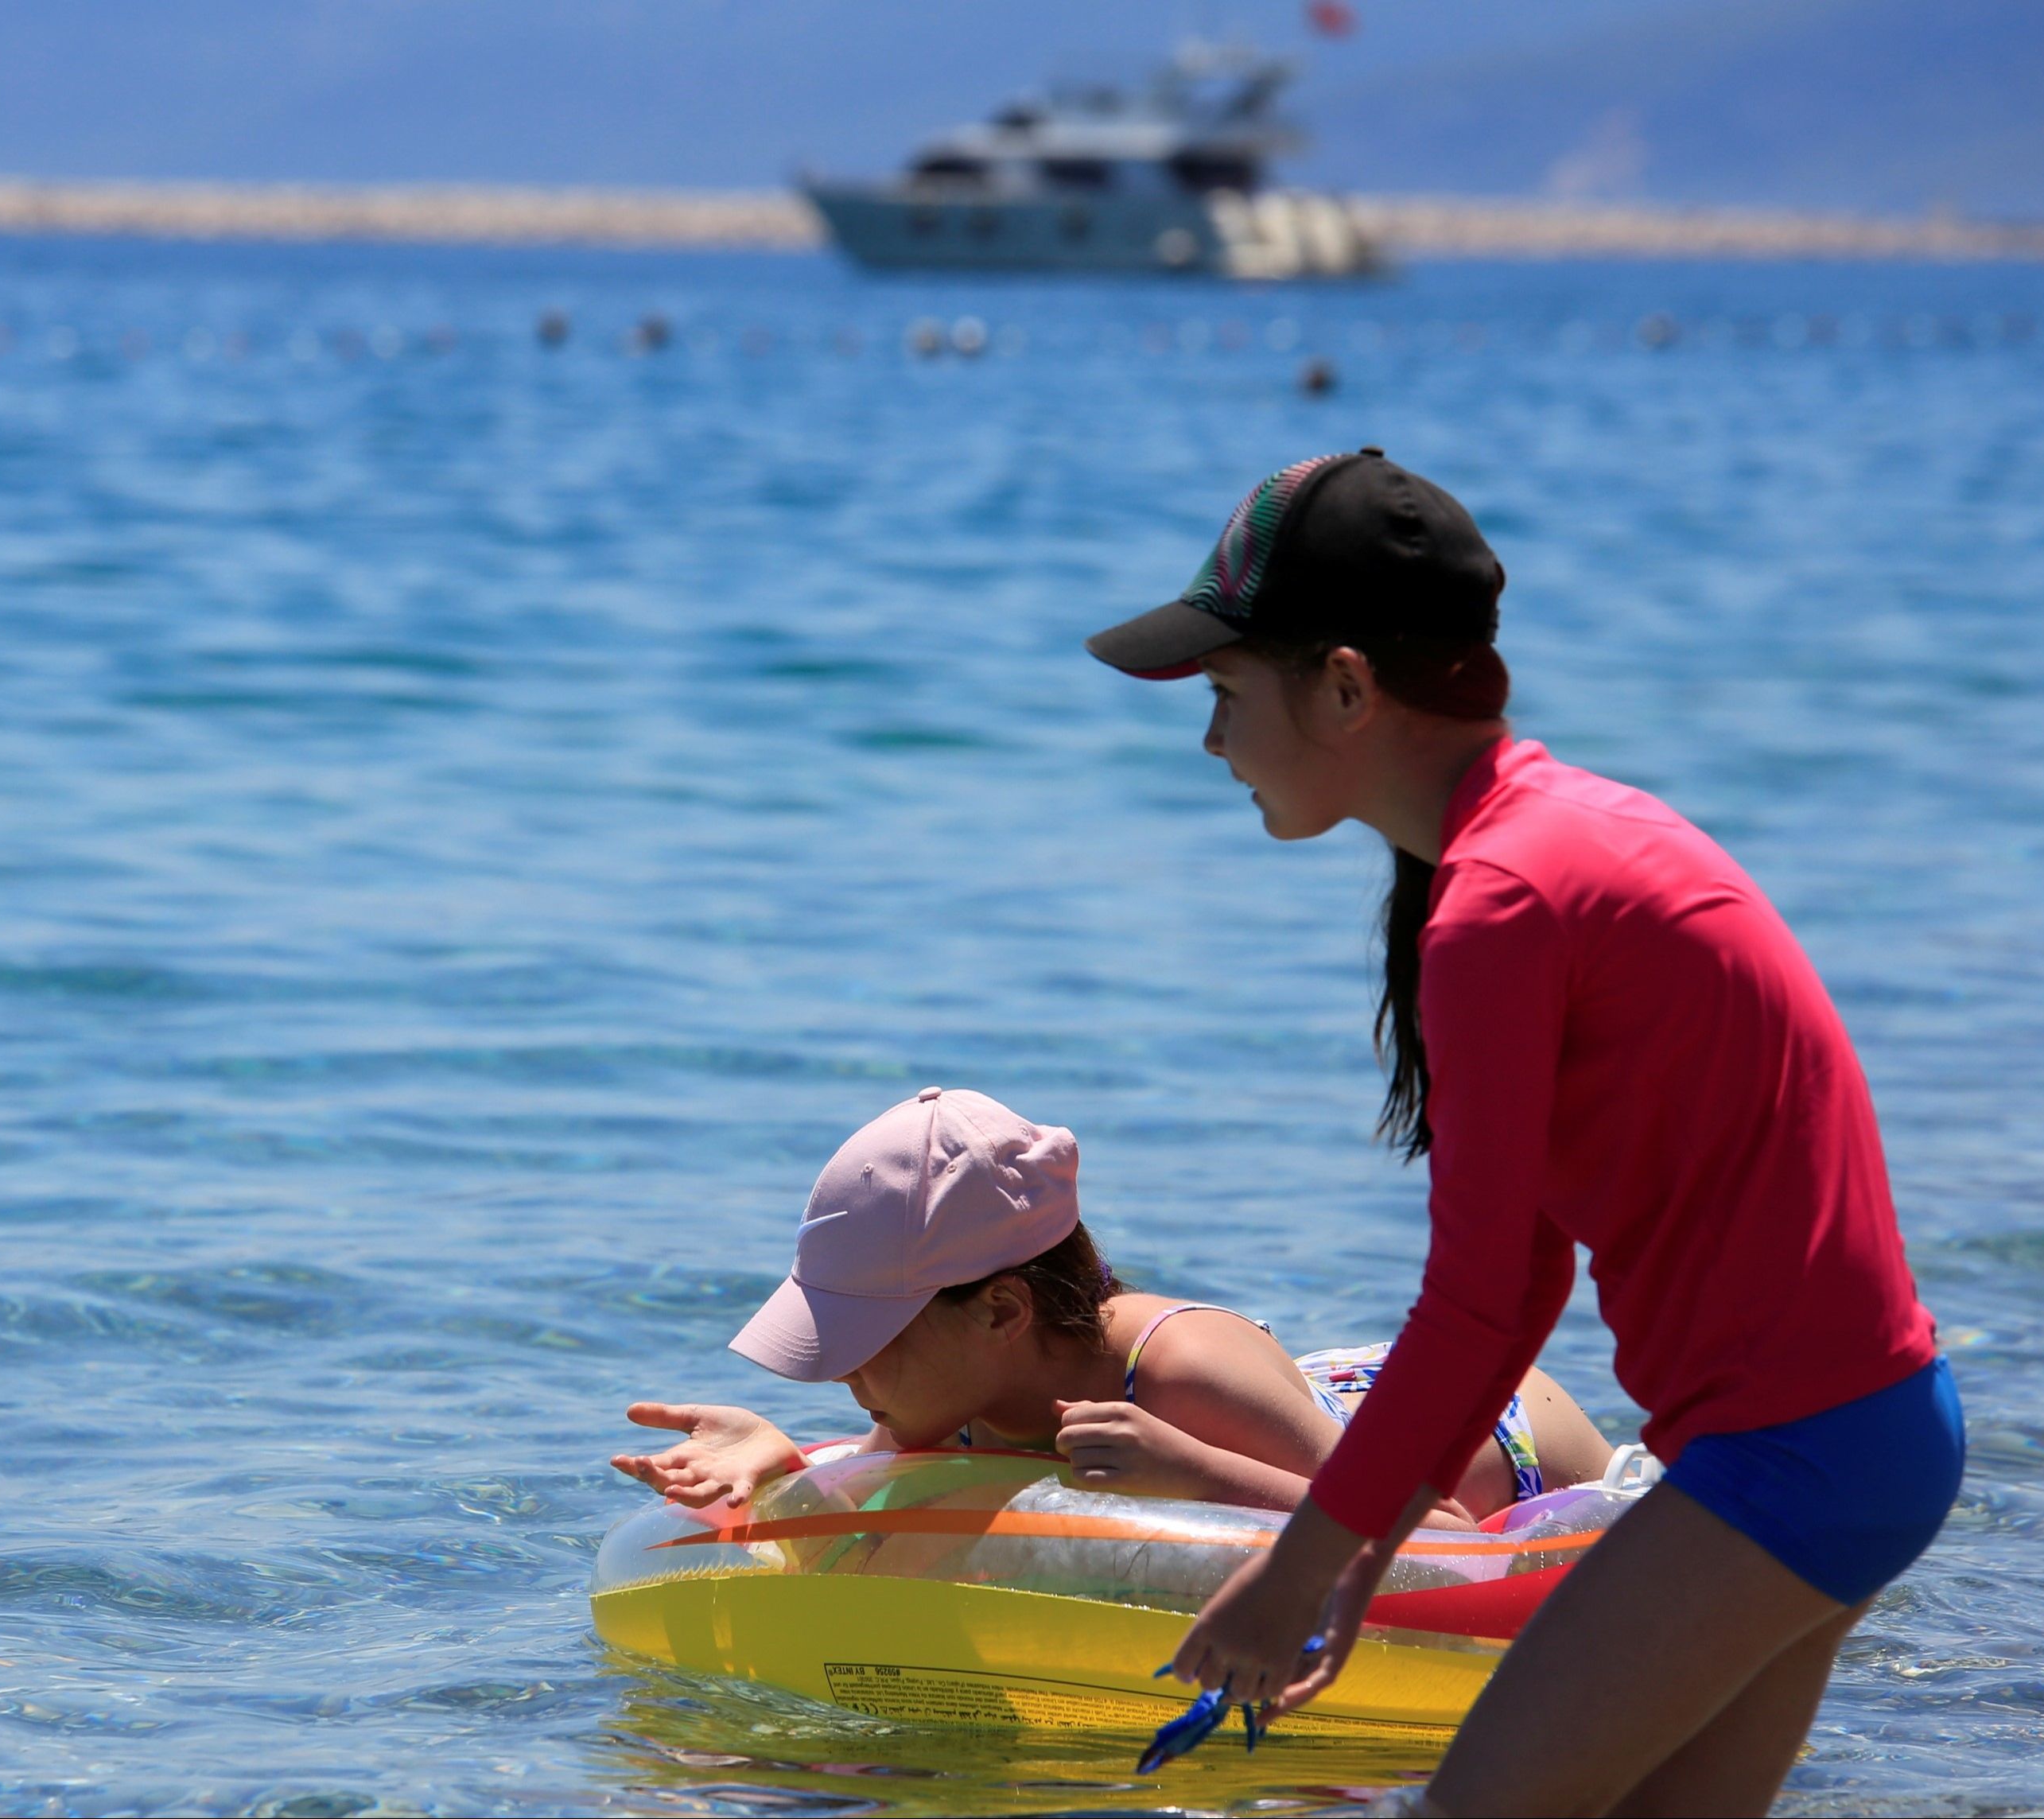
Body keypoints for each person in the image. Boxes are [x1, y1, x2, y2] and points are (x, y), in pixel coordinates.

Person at [1083, 449, 1960, 1815]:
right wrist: (1373, 1549)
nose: (1210, 741)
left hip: (1796, 1453)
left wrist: (1300, 1566)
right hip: (1868, 1434)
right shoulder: (1552, 840)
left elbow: (1477, 1302)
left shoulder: (1504, 904)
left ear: (1347, 686)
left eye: (1223, 691)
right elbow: (1527, 1280)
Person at [611, 1085, 1610, 1527]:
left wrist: (1195, 1469)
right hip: (1306, 1411)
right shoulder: (957, 1381)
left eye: (867, 1340)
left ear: (1002, 1310)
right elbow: (877, 1480)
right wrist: (775, 1458)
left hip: (1485, 1434)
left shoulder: (1184, 1376)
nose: (843, 1372)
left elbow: (1427, 1528)